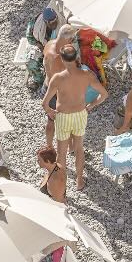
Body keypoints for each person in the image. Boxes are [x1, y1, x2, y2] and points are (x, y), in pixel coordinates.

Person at [41, 45, 108, 190]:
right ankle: (79, 180)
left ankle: (62, 185)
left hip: (63, 116)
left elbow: (45, 103)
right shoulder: (87, 75)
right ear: (77, 58)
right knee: (79, 149)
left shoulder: (58, 78)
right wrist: (91, 105)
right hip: (80, 114)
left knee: (62, 153)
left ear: (62, 59)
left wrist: (50, 111)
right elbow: (104, 94)